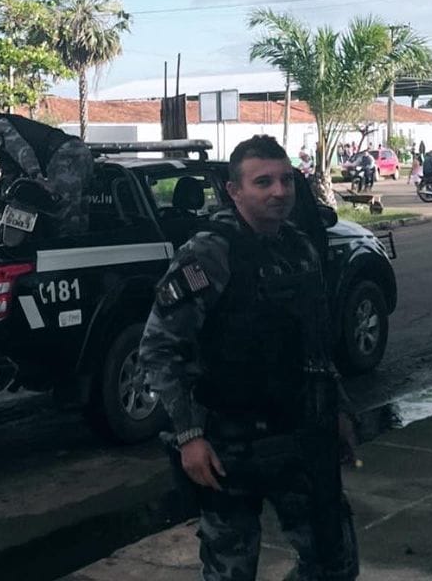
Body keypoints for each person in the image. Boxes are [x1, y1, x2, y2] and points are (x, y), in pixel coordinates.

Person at [138, 135, 359, 580]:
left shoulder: (300, 247)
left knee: (334, 561)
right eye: (263, 182)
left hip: (299, 432)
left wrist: (338, 409)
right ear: (234, 190)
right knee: (231, 570)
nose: (279, 191)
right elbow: (159, 349)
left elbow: (315, 342)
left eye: (285, 180)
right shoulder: (208, 253)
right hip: (229, 444)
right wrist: (189, 436)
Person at [0, 112, 93, 235]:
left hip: (66, 154)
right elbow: (9, 172)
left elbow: (22, 151)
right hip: (74, 150)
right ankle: (78, 243)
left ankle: (66, 246)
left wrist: (37, 177)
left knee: (64, 209)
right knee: (79, 209)